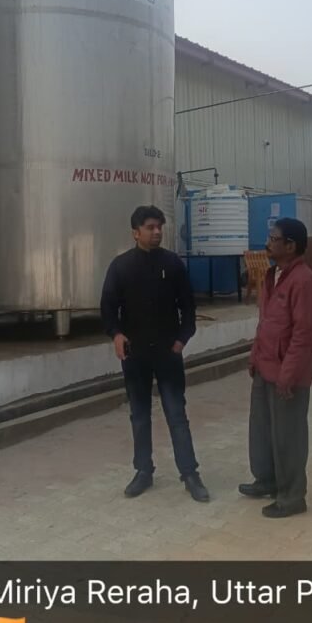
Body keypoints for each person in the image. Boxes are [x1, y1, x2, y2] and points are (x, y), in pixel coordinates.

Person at [100, 205, 210, 502]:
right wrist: (116, 334)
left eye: (160, 226)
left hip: (167, 353)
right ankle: (143, 471)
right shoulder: (121, 267)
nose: (157, 232)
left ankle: (190, 473)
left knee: (176, 414)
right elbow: (108, 308)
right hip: (135, 355)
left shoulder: (173, 264)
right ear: (135, 232)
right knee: (139, 416)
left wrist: (181, 340)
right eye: (150, 227)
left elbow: (188, 307)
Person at [239, 217, 312, 518]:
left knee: (288, 436)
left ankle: (291, 496)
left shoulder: (304, 281)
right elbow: (266, 323)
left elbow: (304, 335)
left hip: (288, 375)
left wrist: (288, 375)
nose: (267, 243)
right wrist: (254, 356)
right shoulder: (272, 276)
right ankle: (267, 480)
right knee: (262, 430)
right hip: (265, 367)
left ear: (290, 245)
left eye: (273, 239)